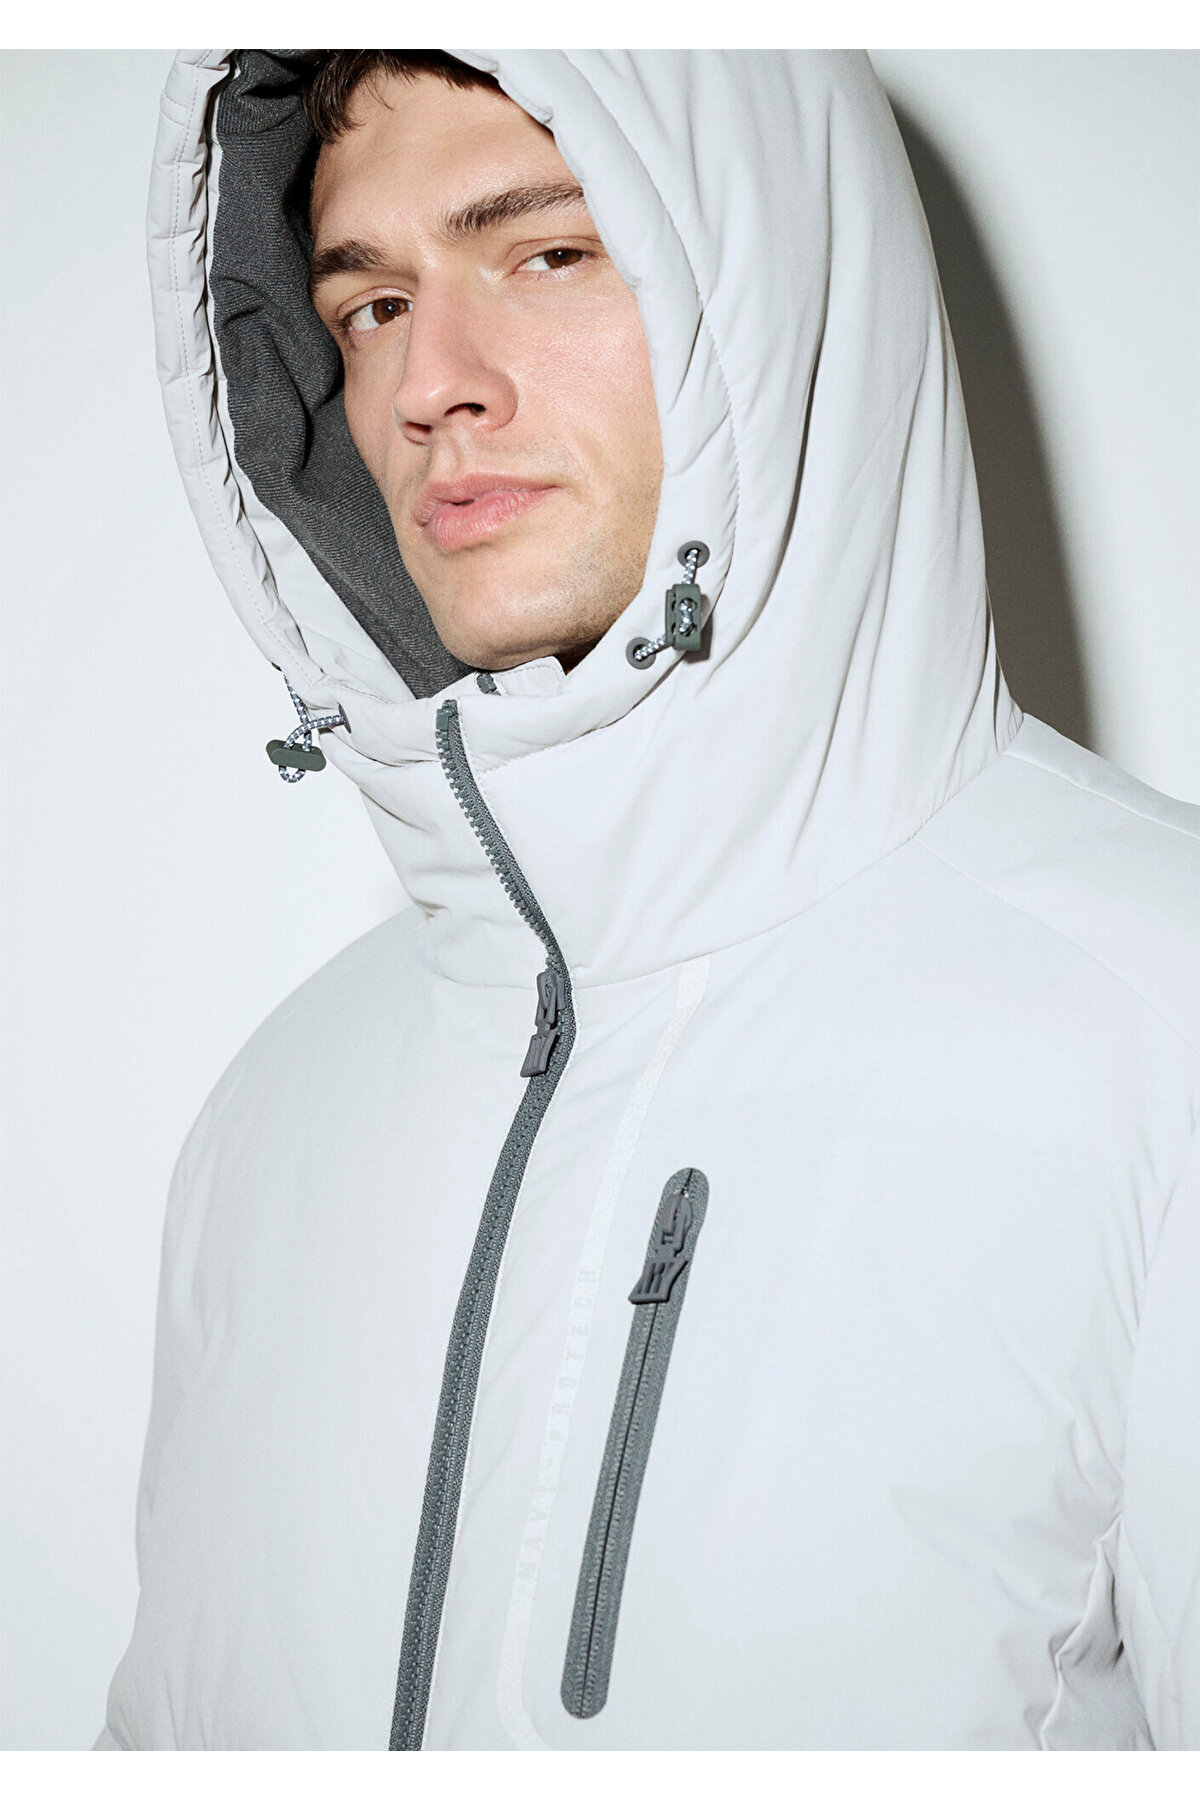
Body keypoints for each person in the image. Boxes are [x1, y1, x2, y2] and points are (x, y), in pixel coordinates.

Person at [98, 49, 1198, 1751]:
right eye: (372, 305)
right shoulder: (276, 1109)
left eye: (546, 253)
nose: (427, 388)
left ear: (769, 279)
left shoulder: (1158, 1018)